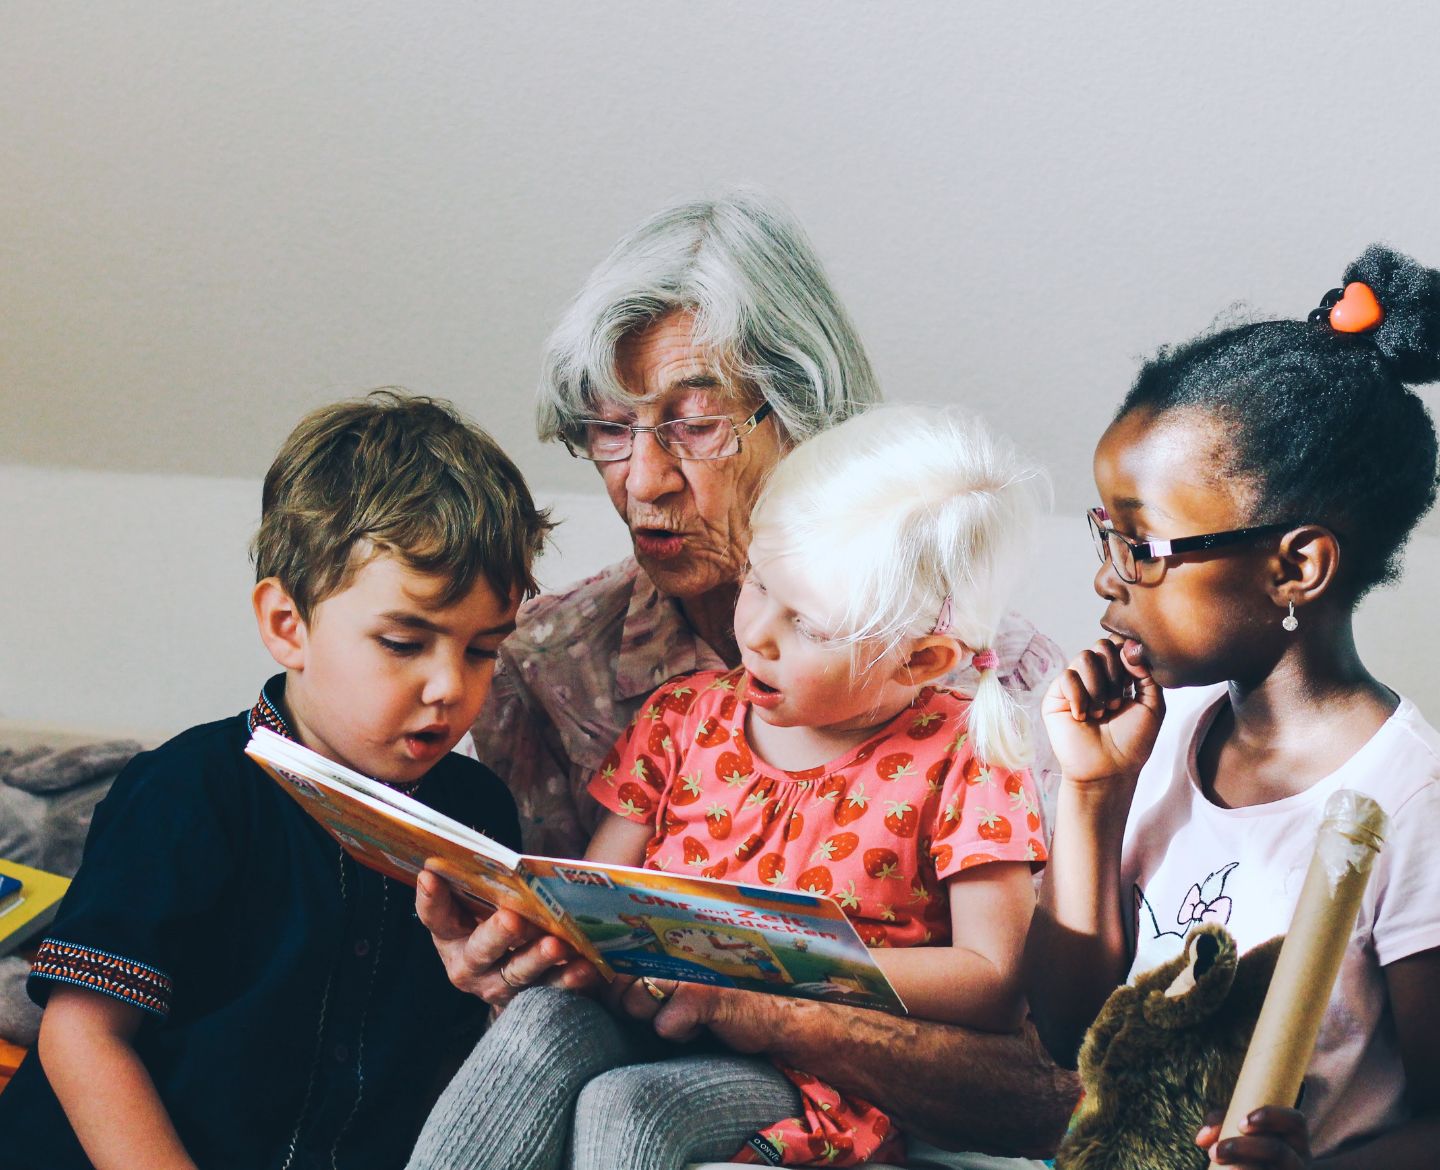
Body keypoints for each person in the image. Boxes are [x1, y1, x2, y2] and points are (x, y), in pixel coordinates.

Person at [436, 190, 1077, 1165]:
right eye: (609, 428)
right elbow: (584, 934)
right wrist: (519, 957)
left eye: (694, 425)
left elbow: (1051, 1089)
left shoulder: (1000, 695)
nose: (642, 480)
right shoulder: (548, 663)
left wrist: (767, 1006)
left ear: (806, 418)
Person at [0, 391, 551, 1169]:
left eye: (481, 651)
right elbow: (83, 1034)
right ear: (287, 625)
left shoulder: (478, 814)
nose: (447, 687)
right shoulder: (189, 791)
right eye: (403, 642)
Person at [1025, 244, 1440, 1168]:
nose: (1106, 577)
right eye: (1107, 535)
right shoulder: (1162, 730)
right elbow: (1068, 1037)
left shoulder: (1411, 806)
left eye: (1141, 546)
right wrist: (1093, 796)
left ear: (1296, 566)